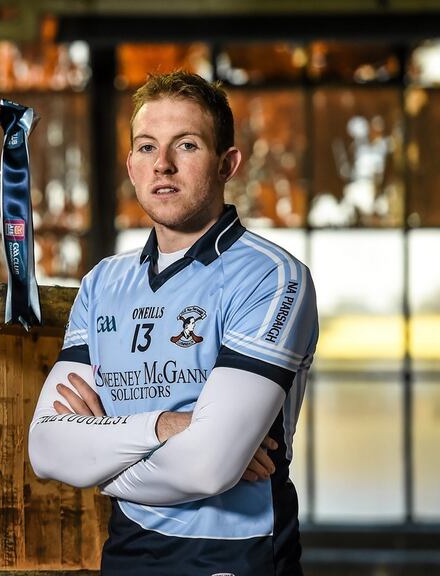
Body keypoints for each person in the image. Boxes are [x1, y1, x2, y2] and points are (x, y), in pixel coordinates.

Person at [27, 71, 318, 575]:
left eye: (186, 145)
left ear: (227, 164)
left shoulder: (271, 276)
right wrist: (166, 426)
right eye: (145, 147)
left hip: (234, 555)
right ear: (131, 167)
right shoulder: (102, 283)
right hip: (126, 551)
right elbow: (48, 448)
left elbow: (206, 467)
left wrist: (97, 462)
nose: (162, 164)